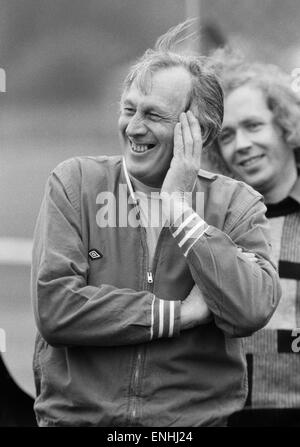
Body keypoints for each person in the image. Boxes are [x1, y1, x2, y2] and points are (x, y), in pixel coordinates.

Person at [31, 21, 281, 427]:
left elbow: (250, 308)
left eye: (152, 115)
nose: (133, 128)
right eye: (128, 109)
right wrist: (177, 316)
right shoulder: (75, 183)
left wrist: (180, 209)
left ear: (197, 131)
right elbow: (55, 308)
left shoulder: (236, 203)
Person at [208, 50, 300, 426]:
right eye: (226, 135)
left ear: (286, 125)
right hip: (227, 416)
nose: (241, 144)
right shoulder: (211, 227)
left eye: (254, 125)